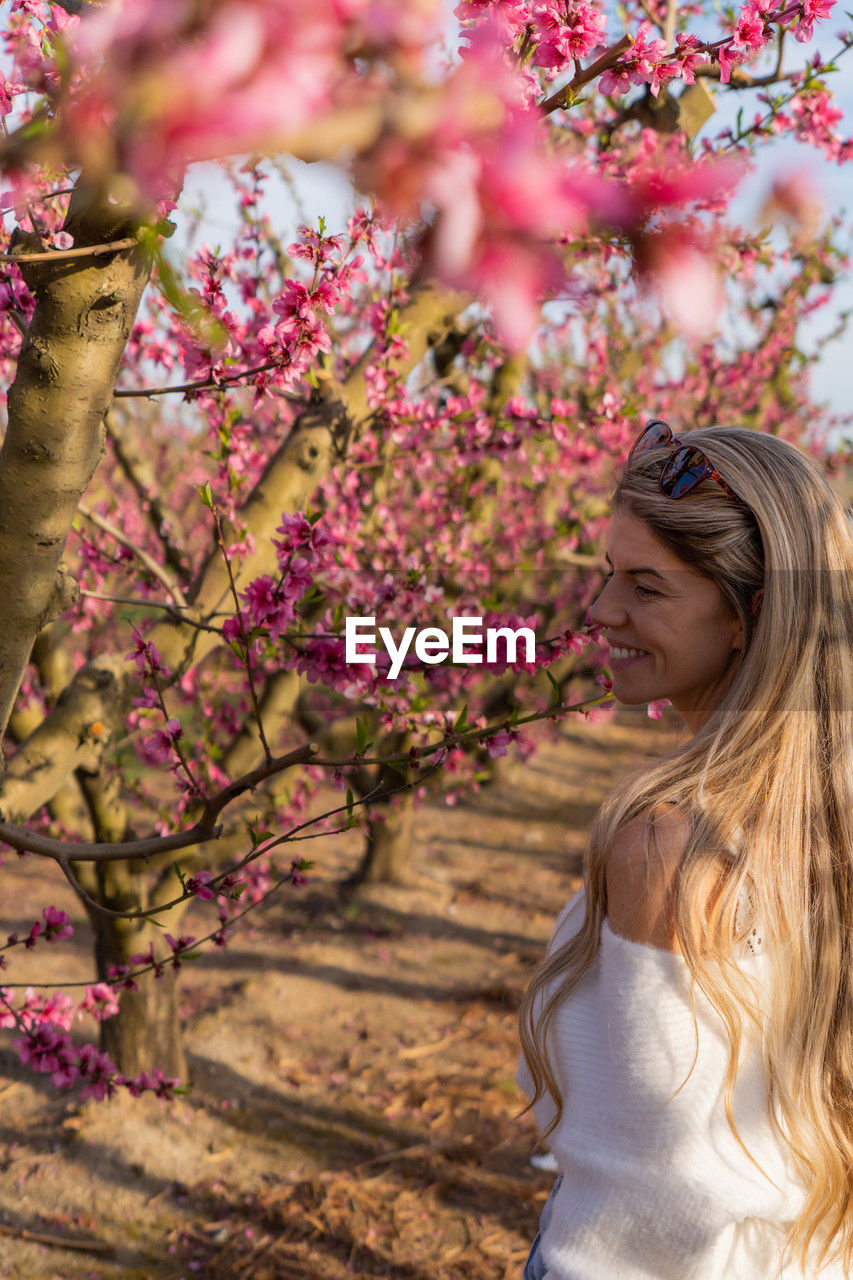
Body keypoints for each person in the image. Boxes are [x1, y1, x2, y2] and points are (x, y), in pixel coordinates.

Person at [516, 421, 853, 1279]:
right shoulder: (826, 819)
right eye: (604, 575)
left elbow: (647, 1212)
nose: (600, 612)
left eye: (647, 588)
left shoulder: (673, 847)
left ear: (749, 616)